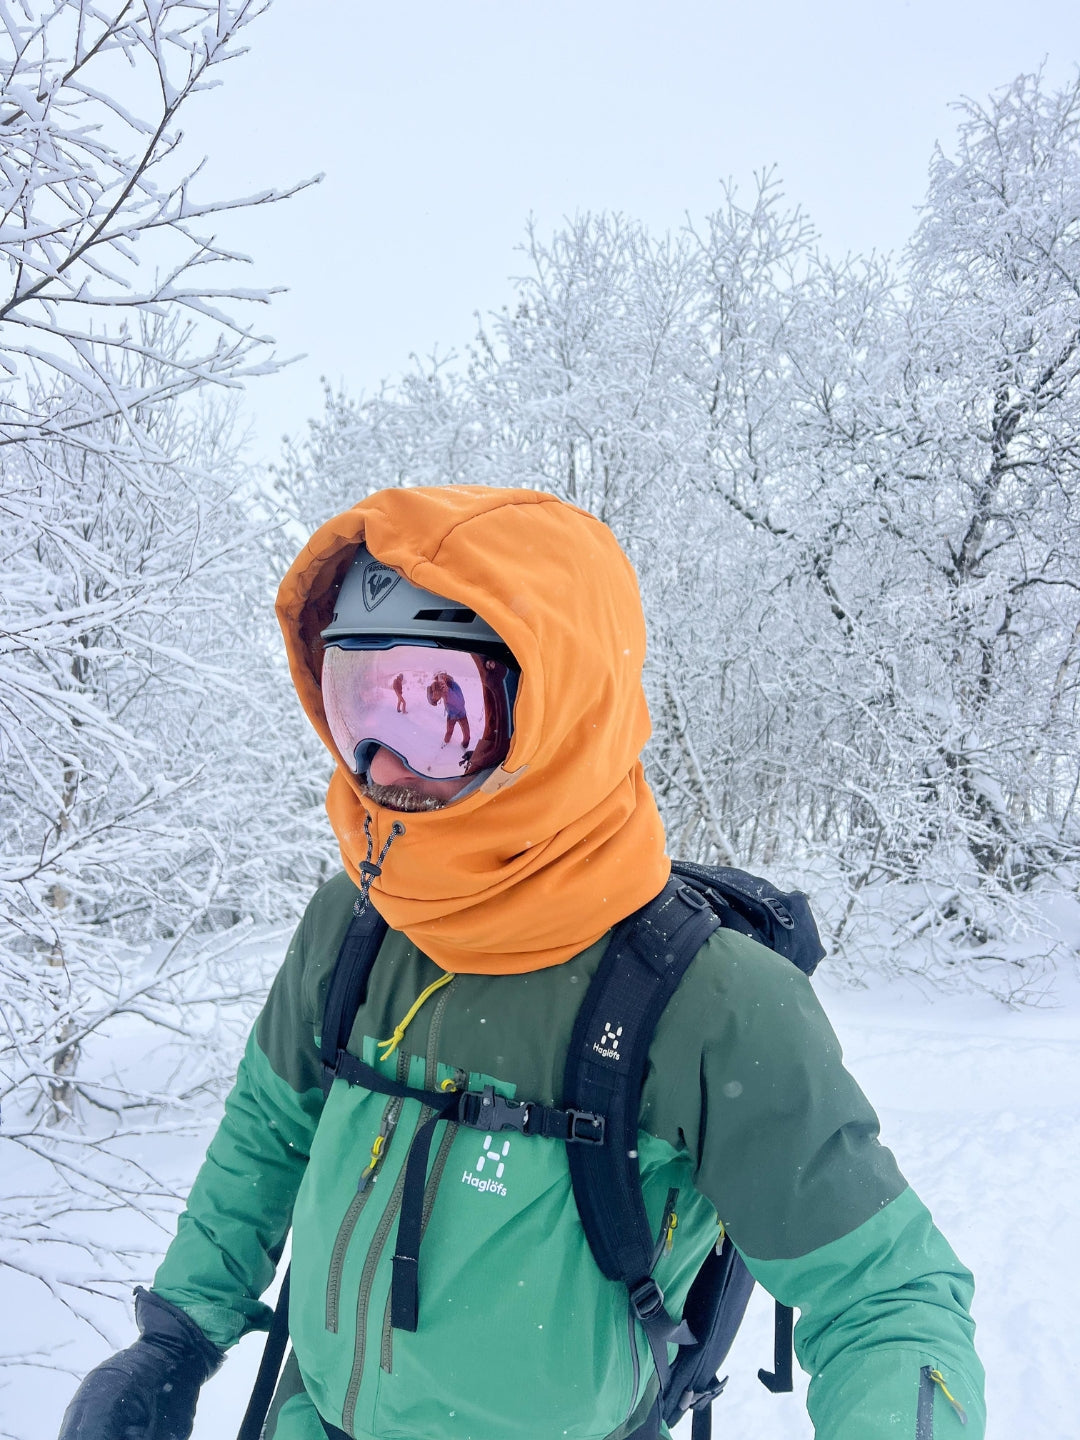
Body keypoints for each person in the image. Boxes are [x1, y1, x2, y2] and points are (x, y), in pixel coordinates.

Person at [57, 485, 985, 1440]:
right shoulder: (355, 924)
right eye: (355, 704)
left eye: (432, 709)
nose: (377, 766)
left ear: (551, 713)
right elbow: (268, 1134)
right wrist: (176, 1337)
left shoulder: (714, 1003)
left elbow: (887, 1301)